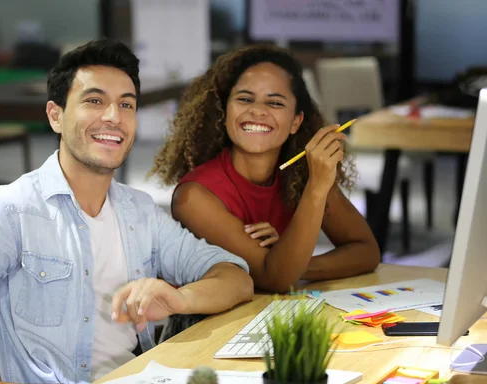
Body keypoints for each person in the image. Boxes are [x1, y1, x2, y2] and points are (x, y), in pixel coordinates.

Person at [0, 39, 253, 384]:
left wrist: (179, 299)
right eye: (94, 101)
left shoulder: (140, 213)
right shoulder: (6, 212)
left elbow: (234, 277)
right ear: (55, 116)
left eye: (126, 104)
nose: (113, 117)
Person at [150, 44, 380, 293]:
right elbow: (275, 279)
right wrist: (286, 259)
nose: (258, 111)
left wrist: (291, 260)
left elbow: (366, 251)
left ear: (295, 121)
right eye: (245, 99)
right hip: (208, 327)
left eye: (275, 103)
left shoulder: (302, 175)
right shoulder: (193, 197)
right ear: (224, 112)